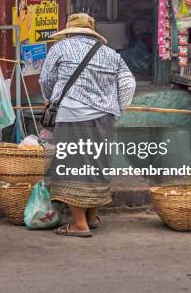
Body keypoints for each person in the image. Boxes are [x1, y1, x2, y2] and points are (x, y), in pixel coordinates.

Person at [40, 13, 136, 237]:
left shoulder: (60, 48)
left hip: (71, 115)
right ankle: (91, 217)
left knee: (72, 166)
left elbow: (46, 80)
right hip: (104, 118)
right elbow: (128, 83)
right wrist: (116, 108)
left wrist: (51, 99)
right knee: (96, 165)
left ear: (70, 31)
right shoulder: (111, 54)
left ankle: (79, 224)